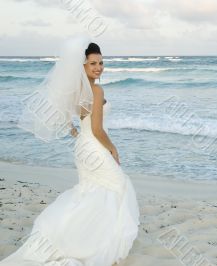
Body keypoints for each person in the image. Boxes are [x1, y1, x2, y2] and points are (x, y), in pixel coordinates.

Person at [0, 35, 140, 266]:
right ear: (82, 65)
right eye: (93, 63)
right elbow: (96, 129)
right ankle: (91, 241)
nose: (99, 68)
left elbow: (69, 119)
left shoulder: (76, 90)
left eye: (101, 63)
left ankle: (81, 237)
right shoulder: (96, 91)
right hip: (94, 147)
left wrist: (76, 133)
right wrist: (113, 149)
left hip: (83, 147)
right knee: (117, 186)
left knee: (92, 192)